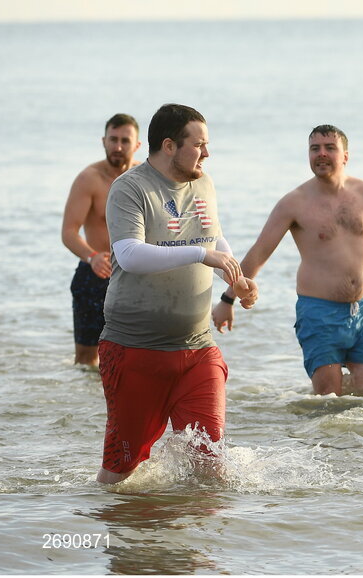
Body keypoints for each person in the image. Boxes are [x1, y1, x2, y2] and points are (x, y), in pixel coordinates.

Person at [212, 125, 363, 397]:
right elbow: (260, 252)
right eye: (315, 149)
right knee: (328, 400)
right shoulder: (294, 203)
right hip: (318, 314)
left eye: (329, 148)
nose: (321, 154)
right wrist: (227, 300)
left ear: (345, 156)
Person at [96, 103, 258, 484]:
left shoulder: (204, 181)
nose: (207, 153)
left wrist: (233, 276)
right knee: (122, 471)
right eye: (199, 144)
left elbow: (212, 236)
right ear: (169, 146)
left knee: (211, 464)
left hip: (198, 347)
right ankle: (121, 539)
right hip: (135, 349)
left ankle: (195, 544)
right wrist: (204, 255)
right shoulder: (130, 188)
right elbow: (130, 255)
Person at [61, 114, 141, 367]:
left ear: (137, 145)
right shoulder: (89, 179)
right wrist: (91, 256)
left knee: (136, 356)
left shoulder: (145, 178)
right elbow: (69, 232)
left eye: (125, 141)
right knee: (86, 359)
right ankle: (86, 406)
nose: (118, 147)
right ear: (103, 141)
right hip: (94, 276)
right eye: (113, 140)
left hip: (134, 277)